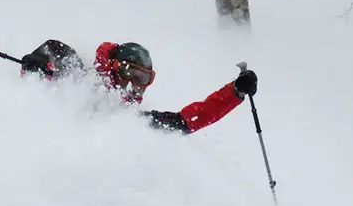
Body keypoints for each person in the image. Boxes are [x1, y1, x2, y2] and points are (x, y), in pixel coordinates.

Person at [20, 39, 258, 134]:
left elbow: (188, 120)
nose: (135, 85)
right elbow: (53, 52)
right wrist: (37, 63)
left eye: (143, 79)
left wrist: (235, 93)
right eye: (130, 73)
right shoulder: (79, 82)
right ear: (113, 67)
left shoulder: (133, 122)